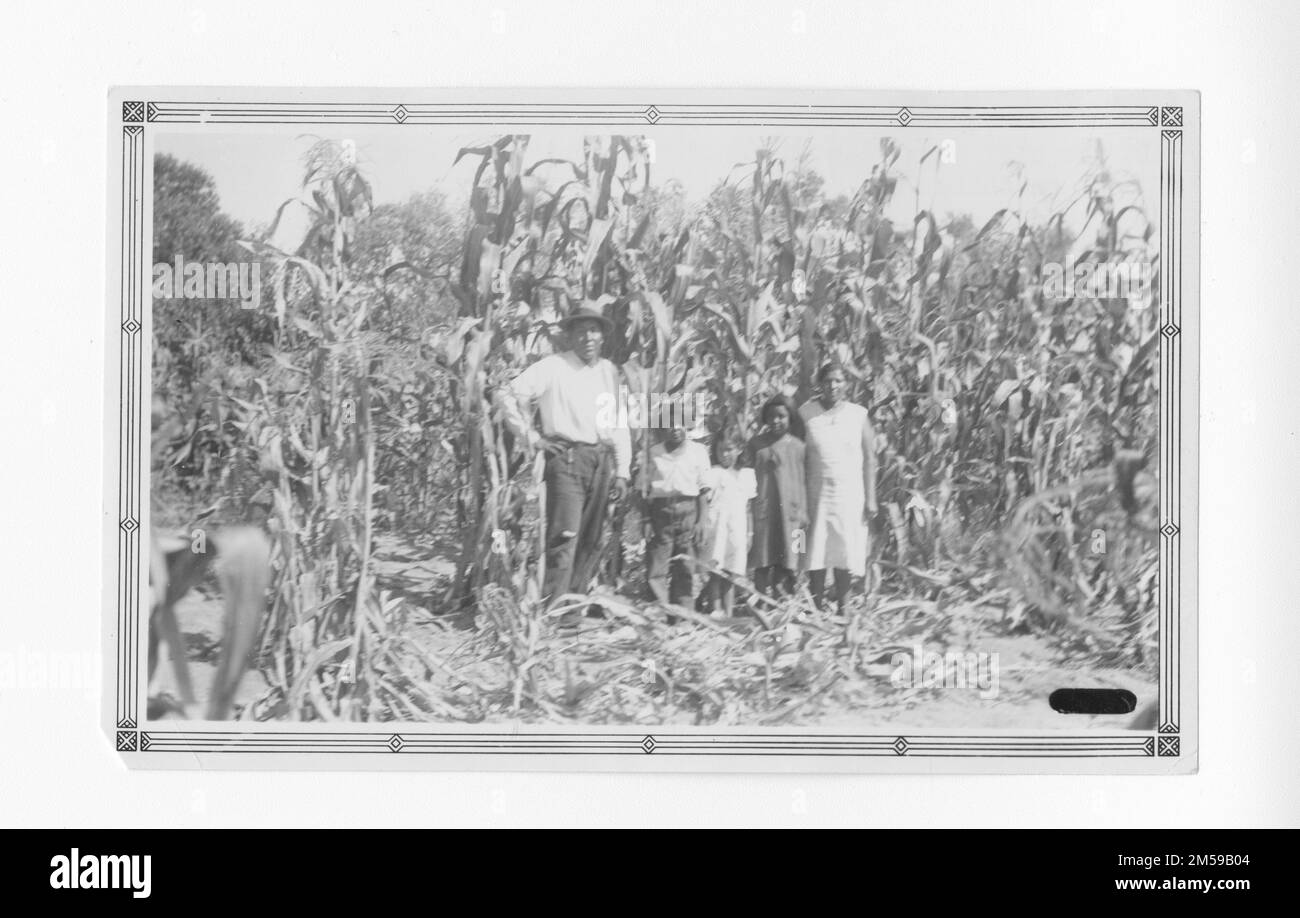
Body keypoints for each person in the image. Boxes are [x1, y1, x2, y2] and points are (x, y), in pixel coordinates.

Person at [499, 307, 631, 608]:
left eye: (594, 330)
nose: (588, 337)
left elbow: (619, 422)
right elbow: (507, 393)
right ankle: (555, 610)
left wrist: (622, 471)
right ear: (570, 335)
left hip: (600, 461)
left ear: (602, 336)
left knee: (592, 538)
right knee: (564, 537)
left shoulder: (609, 371)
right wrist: (533, 438)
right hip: (566, 459)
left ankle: (572, 610)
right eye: (581, 331)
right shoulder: (553, 367)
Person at [800, 363, 878, 612]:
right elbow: (794, 451)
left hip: (849, 494)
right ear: (819, 384)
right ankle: (815, 605)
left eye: (838, 381)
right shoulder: (806, 413)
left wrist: (871, 498)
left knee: (845, 548)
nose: (832, 386)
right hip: (815, 493)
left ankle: (845, 606)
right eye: (827, 381)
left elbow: (870, 457)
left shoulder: (858, 414)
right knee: (814, 547)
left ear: (846, 384)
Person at [746, 394, 808, 599]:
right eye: (771, 416)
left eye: (781, 416)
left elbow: (804, 480)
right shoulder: (756, 444)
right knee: (762, 557)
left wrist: (805, 513)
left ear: (790, 418)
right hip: (764, 509)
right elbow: (744, 477)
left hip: (793, 512)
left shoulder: (799, 447)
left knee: (792, 557)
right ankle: (760, 600)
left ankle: (786, 601)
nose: (776, 421)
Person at [642, 425, 711, 608]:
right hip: (660, 512)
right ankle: (660, 614)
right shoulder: (654, 452)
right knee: (657, 565)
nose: (675, 429)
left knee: (685, 565)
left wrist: (702, 520)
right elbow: (643, 488)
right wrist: (646, 519)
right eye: (669, 423)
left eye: (680, 423)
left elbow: (704, 489)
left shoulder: (698, 451)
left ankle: (683, 615)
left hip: (688, 511)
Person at [700, 431, 756, 617]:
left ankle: (729, 611)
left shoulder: (746, 475)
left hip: (737, 528)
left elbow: (748, 507)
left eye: (729, 450)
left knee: (733, 571)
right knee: (716, 570)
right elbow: (704, 499)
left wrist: (749, 533)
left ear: (739, 450)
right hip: (717, 527)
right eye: (720, 450)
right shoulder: (714, 473)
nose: (724, 454)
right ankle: (715, 610)